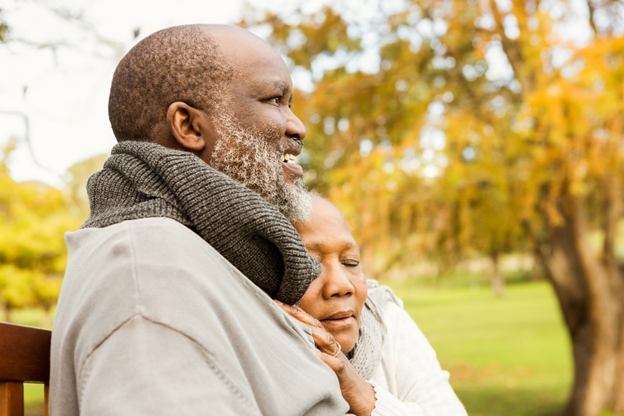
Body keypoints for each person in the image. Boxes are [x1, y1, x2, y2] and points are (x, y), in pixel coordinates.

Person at [49, 25, 350, 415]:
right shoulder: (147, 271)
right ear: (189, 127)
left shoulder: (202, 257)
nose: (297, 126)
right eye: (275, 99)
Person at [277, 195, 467, 415]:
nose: (341, 285)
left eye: (350, 262)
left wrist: (364, 395)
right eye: (310, 266)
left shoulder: (383, 319)